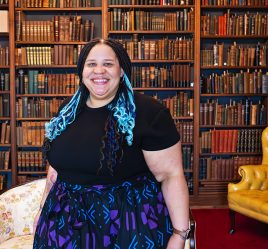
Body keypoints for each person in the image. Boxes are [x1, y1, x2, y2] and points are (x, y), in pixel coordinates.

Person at [33, 38, 190, 249]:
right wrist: (42, 212)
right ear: (82, 71)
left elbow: (171, 175)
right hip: (64, 223)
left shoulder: (149, 112)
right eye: (91, 64)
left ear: (122, 70)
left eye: (108, 64)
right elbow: (56, 169)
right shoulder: (67, 110)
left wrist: (180, 235)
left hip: (127, 223)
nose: (99, 71)